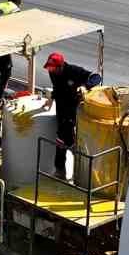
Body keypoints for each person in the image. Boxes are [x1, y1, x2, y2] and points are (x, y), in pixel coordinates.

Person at [40, 52, 99, 180]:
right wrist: (51, 99)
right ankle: (68, 169)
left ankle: (73, 170)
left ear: (60, 66)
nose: (49, 70)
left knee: (63, 137)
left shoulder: (73, 71)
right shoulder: (53, 73)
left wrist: (85, 86)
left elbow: (96, 77)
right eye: (49, 67)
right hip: (61, 110)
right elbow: (57, 88)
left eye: (52, 67)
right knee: (63, 140)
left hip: (73, 110)